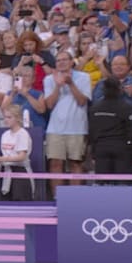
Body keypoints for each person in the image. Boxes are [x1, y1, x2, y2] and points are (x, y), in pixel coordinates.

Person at [43, 50, 91, 194]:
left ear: (71, 62)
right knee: (55, 163)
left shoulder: (83, 77)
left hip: (77, 128)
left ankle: (75, 198)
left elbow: (82, 101)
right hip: (55, 129)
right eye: (58, 60)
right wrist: (58, 86)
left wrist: (70, 84)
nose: (61, 62)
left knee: (75, 163)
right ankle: (58, 198)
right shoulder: (49, 79)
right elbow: (49, 105)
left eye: (64, 59)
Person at [89, 77, 132, 178]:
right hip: (122, 150)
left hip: (101, 149)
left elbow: (92, 132)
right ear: (120, 89)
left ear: (103, 90)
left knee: (103, 185)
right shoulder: (126, 107)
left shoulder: (95, 109)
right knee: (122, 185)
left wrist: (93, 153)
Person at [0, 105, 35, 201]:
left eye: (9, 117)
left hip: (20, 172)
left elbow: (22, 156)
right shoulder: (5, 135)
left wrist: (2, 159)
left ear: (18, 118)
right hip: (7, 172)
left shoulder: (23, 134)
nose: (6, 120)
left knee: (20, 203)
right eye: (5, 117)